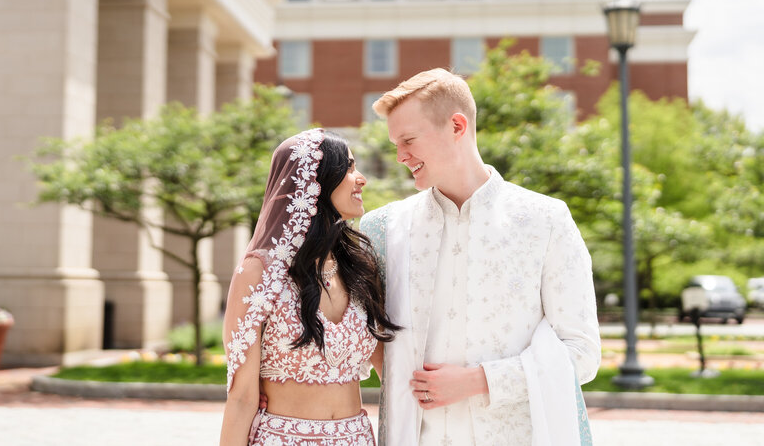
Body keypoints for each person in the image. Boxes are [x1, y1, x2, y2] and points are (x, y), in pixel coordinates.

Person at [359, 68, 601, 445]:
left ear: (457, 126)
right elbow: (357, 338)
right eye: (395, 144)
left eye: (408, 140)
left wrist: (479, 381)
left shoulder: (546, 220)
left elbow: (582, 353)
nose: (400, 156)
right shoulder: (382, 228)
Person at [221, 128, 399, 446]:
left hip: (355, 438)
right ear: (315, 181)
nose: (361, 179)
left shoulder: (362, 267)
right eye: (348, 167)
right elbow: (241, 398)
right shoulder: (259, 272)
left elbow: (393, 374)